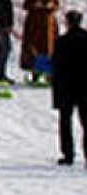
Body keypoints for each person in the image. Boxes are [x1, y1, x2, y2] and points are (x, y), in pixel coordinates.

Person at [54, 10, 87, 165]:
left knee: (65, 121)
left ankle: (68, 155)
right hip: (85, 87)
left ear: (67, 22)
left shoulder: (61, 41)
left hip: (67, 87)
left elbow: (57, 67)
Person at [23, 0, 62, 78]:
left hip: (48, 26)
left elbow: (57, 6)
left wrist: (51, 6)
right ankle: (35, 73)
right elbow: (25, 5)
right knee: (35, 50)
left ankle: (49, 74)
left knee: (49, 50)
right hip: (34, 26)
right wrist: (35, 5)